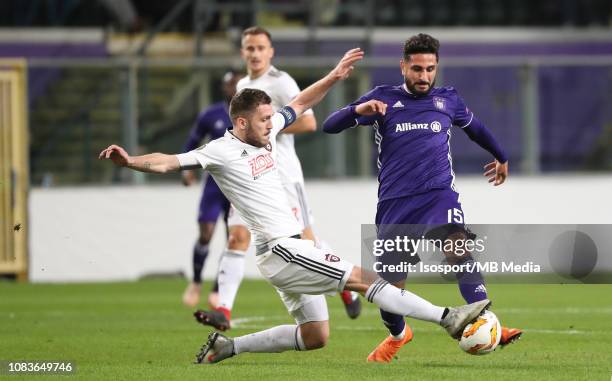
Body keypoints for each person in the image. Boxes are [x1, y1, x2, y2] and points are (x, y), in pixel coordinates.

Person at [99, 48, 491, 364]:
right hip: (283, 248)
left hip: (285, 252)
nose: (273, 125)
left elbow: (302, 102)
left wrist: (335, 76)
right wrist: (130, 160)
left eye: (272, 117)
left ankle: (228, 347)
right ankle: (448, 317)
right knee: (364, 279)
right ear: (240, 122)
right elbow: (169, 160)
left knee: (316, 336)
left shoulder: (264, 136)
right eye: (265, 119)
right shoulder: (220, 150)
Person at [323, 33, 522, 363]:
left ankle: (489, 323)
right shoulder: (382, 98)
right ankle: (399, 335)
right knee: (389, 290)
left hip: (438, 195)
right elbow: (330, 126)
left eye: (430, 69)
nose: (424, 76)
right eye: (417, 68)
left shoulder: (448, 100)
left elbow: (477, 129)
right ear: (403, 66)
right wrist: (359, 108)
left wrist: (500, 157)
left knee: (457, 247)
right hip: (395, 204)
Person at [193, 26, 361, 331]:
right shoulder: (244, 84)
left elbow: (308, 121)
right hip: (249, 177)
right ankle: (224, 312)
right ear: (242, 52)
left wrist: (269, 128)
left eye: (260, 48)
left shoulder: (281, 82)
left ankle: (347, 287)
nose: (255, 53)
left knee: (307, 242)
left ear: (271, 52)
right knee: (237, 237)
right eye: (249, 48)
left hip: (283, 177)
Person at [181, 70, 243, 308]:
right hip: (214, 185)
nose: (234, 88)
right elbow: (191, 144)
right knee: (206, 233)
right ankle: (196, 281)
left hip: (238, 188)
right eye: (231, 85)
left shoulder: (248, 116)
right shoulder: (211, 114)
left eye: (238, 84)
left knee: (233, 239)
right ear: (224, 88)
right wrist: (187, 170)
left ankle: (218, 288)